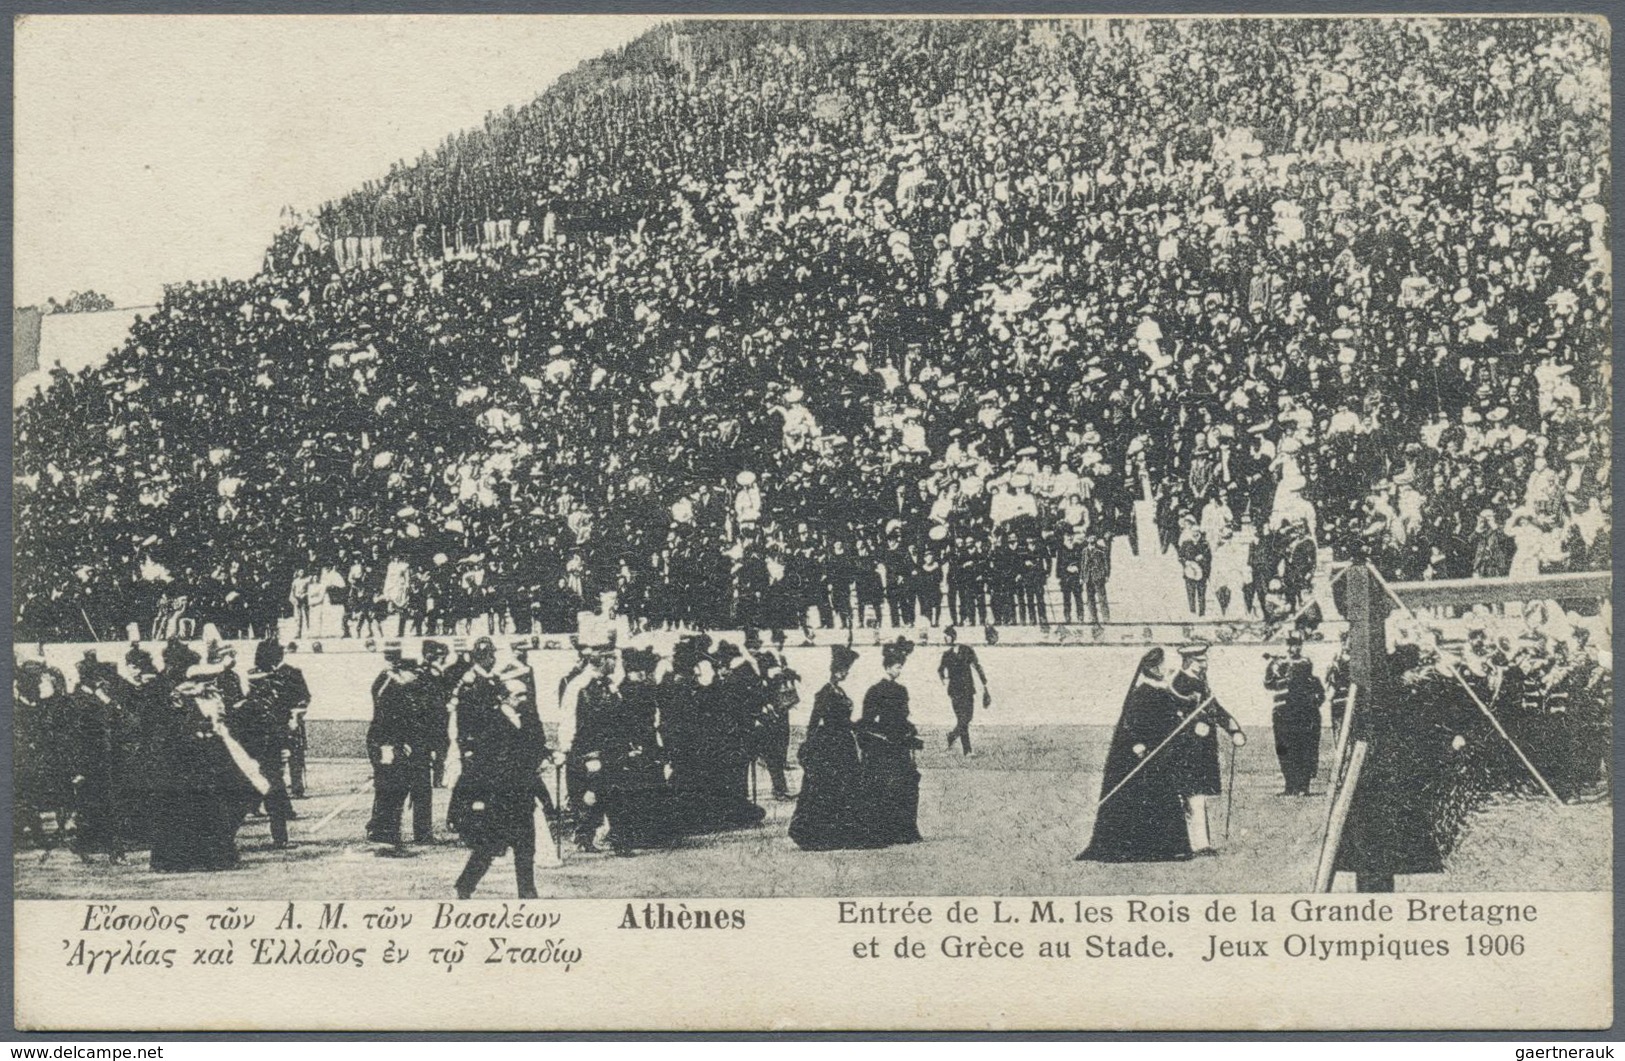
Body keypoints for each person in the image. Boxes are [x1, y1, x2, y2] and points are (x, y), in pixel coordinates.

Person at [449, 637, 549, 898]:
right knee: (489, 847)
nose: (522, 699)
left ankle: (528, 893)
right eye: (518, 695)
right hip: (501, 794)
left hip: (522, 792)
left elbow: (529, 753)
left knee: (526, 847)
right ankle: (465, 884)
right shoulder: (493, 721)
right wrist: (478, 796)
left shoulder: (520, 720)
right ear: (507, 696)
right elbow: (481, 760)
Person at [1076, 648, 1193, 863]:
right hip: (1141, 757)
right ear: (1152, 668)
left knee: (1161, 797)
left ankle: (1166, 848)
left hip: (1158, 755)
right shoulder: (1142, 693)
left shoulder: (1160, 689)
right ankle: (1140, 849)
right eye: (1162, 665)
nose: (1166, 668)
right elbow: (1130, 725)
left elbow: (1173, 712)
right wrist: (1138, 745)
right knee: (1142, 799)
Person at [789, 645, 876, 851]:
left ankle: (842, 831)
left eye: (846, 670)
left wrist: (859, 725)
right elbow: (813, 721)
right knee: (831, 787)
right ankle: (824, 833)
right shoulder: (825, 693)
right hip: (831, 745)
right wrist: (810, 746)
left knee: (847, 786)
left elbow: (844, 720)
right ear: (835, 670)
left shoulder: (839, 691)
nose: (845, 673)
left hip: (844, 743)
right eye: (843, 670)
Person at [1170, 642, 1245, 856]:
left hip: (1200, 749)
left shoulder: (1201, 684)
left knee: (1196, 796)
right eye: (1200, 661)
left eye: (1205, 661)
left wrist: (1233, 729)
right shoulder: (1178, 683)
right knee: (1190, 796)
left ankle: (1199, 843)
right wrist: (1193, 727)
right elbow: (1174, 716)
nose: (1205, 665)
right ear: (1189, 661)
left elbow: (1215, 709)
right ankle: (1195, 844)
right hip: (1184, 750)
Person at [229, 640, 302, 849]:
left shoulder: (249, 707)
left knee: (264, 797)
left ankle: (280, 839)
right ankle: (279, 839)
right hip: (259, 758)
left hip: (259, 758)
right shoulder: (256, 708)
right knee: (264, 797)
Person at [855, 637, 923, 846]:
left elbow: (902, 717)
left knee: (905, 784)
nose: (899, 670)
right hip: (886, 744)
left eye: (901, 666)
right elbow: (868, 719)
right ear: (887, 667)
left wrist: (909, 730)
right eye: (896, 666)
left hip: (898, 742)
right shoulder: (876, 690)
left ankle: (903, 830)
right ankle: (890, 830)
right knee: (889, 786)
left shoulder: (898, 690)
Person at [365, 647, 427, 852]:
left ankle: (387, 833)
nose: (416, 677)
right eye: (413, 673)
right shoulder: (391, 689)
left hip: (394, 744)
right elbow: (384, 722)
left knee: (395, 788)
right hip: (385, 744)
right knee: (390, 789)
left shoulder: (399, 688)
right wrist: (388, 747)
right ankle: (385, 837)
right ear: (403, 671)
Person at [1263, 630, 1325, 796]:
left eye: (1296, 645)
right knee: (1284, 749)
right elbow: (1269, 684)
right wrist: (1274, 669)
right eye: (1290, 644)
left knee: (1303, 748)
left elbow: (1318, 693)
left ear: (1300, 646)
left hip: (1302, 715)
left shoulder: (1305, 665)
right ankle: (1289, 785)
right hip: (1282, 715)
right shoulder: (1279, 664)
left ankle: (1303, 786)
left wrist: (1310, 704)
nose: (1293, 648)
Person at [937, 625, 990, 756]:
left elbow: (977, 665)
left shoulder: (966, 650)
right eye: (945, 636)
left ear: (953, 636)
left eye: (947, 635)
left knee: (968, 717)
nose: (946, 638)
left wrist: (984, 683)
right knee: (962, 719)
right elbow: (940, 669)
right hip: (955, 691)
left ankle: (952, 735)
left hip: (967, 689)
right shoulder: (946, 655)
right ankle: (967, 750)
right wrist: (944, 679)